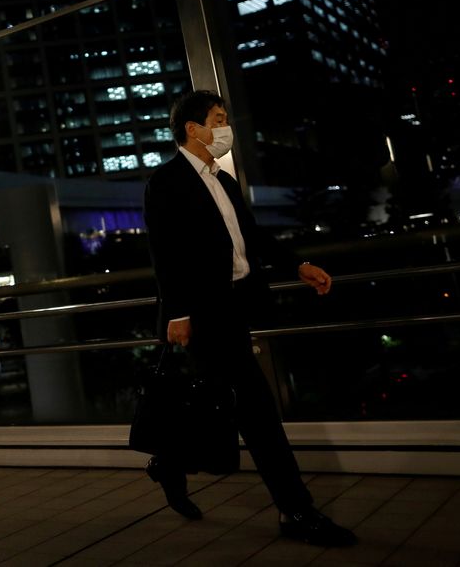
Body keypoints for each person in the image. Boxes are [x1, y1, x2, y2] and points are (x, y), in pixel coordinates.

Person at [142, 89, 357, 548]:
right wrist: (177, 313)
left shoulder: (224, 181)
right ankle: (295, 510)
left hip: (234, 307)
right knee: (255, 411)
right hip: (200, 317)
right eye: (218, 119)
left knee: (215, 404)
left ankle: (169, 462)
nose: (225, 128)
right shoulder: (165, 181)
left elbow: (251, 237)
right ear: (193, 129)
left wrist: (297, 266)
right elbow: (166, 254)